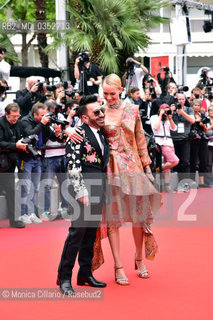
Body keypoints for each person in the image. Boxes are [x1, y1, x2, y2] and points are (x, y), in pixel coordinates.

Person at [66, 74, 159, 285]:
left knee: (139, 217)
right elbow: (82, 125)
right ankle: (118, 265)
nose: (109, 98)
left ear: (120, 90)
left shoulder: (132, 110)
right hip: (109, 170)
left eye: (112, 93)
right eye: (105, 94)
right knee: (113, 220)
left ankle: (139, 259)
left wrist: (147, 167)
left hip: (133, 168)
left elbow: (140, 140)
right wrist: (68, 129)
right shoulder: (99, 113)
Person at [57, 95, 109, 295]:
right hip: (83, 190)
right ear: (85, 118)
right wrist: (80, 190)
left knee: (90, 233)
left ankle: (84, 273)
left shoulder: (101, 133)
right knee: (77, 232)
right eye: (96, 112)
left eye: (101, 110)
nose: (101, 114)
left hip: (98, 188)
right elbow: (73, 163)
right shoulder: (77, 133)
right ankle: (64, 277)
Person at [0, 103, 28, 228]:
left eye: (18, 116)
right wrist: (15, 145)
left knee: (12, 191)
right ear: (6, 114)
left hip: (10, 165)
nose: (16, 118)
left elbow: (25, 135)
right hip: (1, 161)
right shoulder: (0, 124)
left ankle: (14, 219)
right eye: (13, 116)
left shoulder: (19, 124)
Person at [150, 104, 179, 193]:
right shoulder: (154, 117)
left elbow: (174, 128)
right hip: (160, 142)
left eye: (168, 110)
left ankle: (166, 186)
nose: (167, 112)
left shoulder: (168, 119)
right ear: (160, 109)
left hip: (169, 142)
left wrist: (170, 118)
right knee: (174, 161)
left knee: (168, 166)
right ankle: (157, 169)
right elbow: (155, 127)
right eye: (165, 110)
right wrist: (160, 116)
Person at [189, 99, 210, 188]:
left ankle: (201, 182)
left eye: (198, 105)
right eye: (195, 105)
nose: (197, 107)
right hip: (193, 140)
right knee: (193, 161)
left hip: (202, 139)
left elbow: (205, 130)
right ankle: (193, 182)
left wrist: (203, 125)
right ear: (192, 106)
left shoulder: (202, 116)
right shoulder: (190, 115)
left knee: (204, 161)